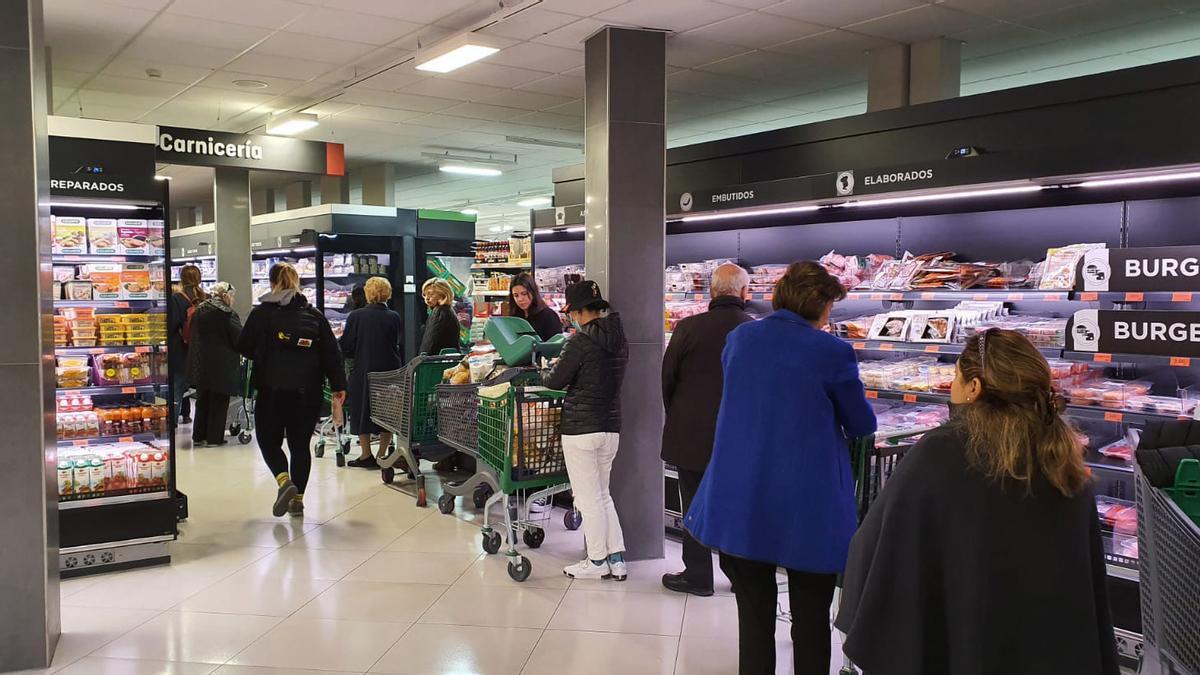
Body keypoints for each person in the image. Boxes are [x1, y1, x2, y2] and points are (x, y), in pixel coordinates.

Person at [836, 329, 1119, 675]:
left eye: (956, 376)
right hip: (1050, 647)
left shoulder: (941, 452)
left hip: (962, 641)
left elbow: (877, 547)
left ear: (974, 388)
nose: (951, 387)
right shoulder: (1062, 456)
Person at [685, 261, 876, 675]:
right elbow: (861, 423)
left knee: (753, 616)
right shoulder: (833, 352)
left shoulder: (740, 339)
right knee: (810, 618)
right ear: (821, 304)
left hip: (742, 498)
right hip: (808, 507)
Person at [660, 263, 753, 597]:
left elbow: (666, 377)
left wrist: (680, 414)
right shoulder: (753, 331)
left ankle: (698, 575)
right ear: (744, 293)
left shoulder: (688, 328)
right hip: (738, 437)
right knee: (733, 504)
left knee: (695, 505)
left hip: (692, 434)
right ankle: (739, 574)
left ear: (711, 292)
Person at [237, 262, 347, 518]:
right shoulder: (314, 315)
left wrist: (263, 351)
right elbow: (332, 353)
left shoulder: (262, 313)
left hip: (271, 389)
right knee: (300, 446)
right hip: (307, 391)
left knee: (268, 441)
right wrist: (339, 386)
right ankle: (297, 500)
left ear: (272, 282)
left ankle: (284, 481)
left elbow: (243, 346)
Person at [543, 280, 629, 581]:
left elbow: (554, 381)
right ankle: (616, 559)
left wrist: (544, 368)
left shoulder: (580, 342)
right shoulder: (619, 338)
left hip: (581, 429)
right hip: (610, 427)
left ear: (579, 312)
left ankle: (595, 561)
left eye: (573, 313)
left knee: (587, 498)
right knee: (603, 495)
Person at [340, 277, 403, 469]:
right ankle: (383, 454)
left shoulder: (356, 316)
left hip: (364, 368)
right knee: (388, 409)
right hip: (390, 369)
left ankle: (366, 454)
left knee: (362, 409)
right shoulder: (394, 316)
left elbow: (347, 346)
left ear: (368, 293)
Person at [185, 282, 242, 447]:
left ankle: (198, 436)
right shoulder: (227, 313)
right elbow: (238, 338)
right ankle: (214, 438)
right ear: (226, 295)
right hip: (222, 364)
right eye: (232, 296)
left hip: (200, 362)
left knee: (203, 399)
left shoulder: (200, 309)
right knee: (219, 400)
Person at [169, 265, 207, 425]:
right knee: (202, 391)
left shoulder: (176, 299)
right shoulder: (206, 297)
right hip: (201, 350)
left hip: (181, 350)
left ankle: (172, 423)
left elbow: (172, 324)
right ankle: (201, 424)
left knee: (176, 387)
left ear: (182, 279)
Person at [508, 273, 562, 341]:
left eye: (524, 294)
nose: (520, 299)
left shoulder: (548, 315)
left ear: (533, 292)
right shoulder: (513, 317)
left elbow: (556, 346)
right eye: (516, 295)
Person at [419, 278, 461, 356]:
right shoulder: (448, 311)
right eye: (425, 295)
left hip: (436, 362)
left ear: (443, 295)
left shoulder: (439, 313)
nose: (426, 298)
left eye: (431, 294)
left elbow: (430, 344)